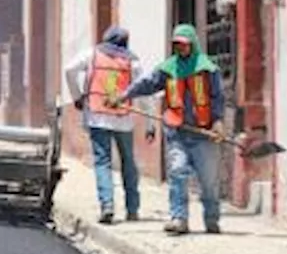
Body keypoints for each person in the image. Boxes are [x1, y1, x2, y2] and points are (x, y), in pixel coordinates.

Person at [118, 23, 227, 235]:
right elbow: (147, 84)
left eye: (184, 44)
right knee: (177, 173)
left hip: (203, 133)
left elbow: (218, 97)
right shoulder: (168, 69)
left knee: (208, 181)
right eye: (177, 45)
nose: (181, 48)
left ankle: (212, 219)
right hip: (177, 132)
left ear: (193, 44)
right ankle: (179, 218)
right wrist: (124, 95)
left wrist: (218, 121)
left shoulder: (207, 68)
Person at [64, 25, 156, 224]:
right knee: (128, 163)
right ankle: (132, 209)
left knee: (102, 162)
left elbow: (69, 70)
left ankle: (107, 205)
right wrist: (150, 123)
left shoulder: (92, 55)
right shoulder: (133, 62)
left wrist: (77, 97)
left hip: (98, 116)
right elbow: (145, 93)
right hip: (124, 119)